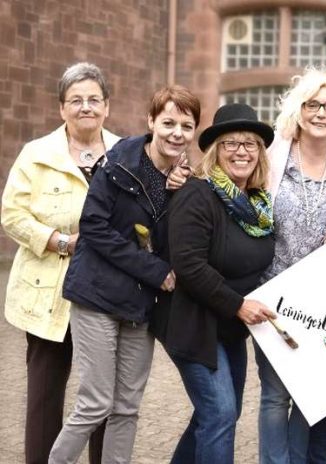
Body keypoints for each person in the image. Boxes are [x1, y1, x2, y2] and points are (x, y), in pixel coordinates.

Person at [48, 85, 201, 463]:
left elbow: (174, 243)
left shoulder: (186, 178)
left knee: (127, 407)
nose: (176, 133)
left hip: (139, 307)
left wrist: (182, 193)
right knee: (95, 403)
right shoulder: (118, 163)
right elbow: (94, 227)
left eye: (186, 125)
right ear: (151, 122)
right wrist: (154, 269)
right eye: (168, 122)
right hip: (97, 296)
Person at [1, 62, 119, 464]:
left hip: (106, 296)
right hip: (47, 296)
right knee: (45, 396)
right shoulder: (36, 154)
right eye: (76, 100)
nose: (85, 107)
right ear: (61, 108)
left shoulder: (126, 153)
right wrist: (63, 241)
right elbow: (12, 216)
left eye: (93, 99)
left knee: (104, 397)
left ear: (107, 106)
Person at [254, 68, 326, 464]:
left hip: (324, 296)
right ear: (298, 109)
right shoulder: (270, 155)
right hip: (272, 291)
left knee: (311, 392)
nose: (321, 113)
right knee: (274, 393)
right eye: (313, 104)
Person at [156, 103, 277, 463]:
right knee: (219, 415)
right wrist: (239, 305)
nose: (241, 151)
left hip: (228, 328)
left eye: (250, 144)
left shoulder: (257, 205)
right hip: (193, 324)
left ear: (259, 153)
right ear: (215, 151)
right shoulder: (198, 194)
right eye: (230, 144)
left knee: (218, 414)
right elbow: (189, 265)